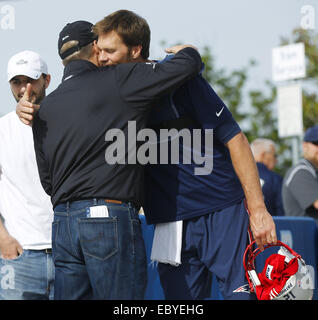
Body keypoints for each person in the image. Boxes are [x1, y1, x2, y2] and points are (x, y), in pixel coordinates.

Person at [17, 10, 276, 300]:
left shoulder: (179, 80)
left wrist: (259, 209)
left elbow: (235, 138)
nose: (101, 58)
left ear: (135, 49)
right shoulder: (105, 89)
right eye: (99, 51)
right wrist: (28, 109)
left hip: (219, 208)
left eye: (109, 51)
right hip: (167, 220)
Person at [18, 17, 202, 300]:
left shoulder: (46, 106)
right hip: (108, 218)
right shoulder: (120, 79)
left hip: (62, 224)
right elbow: (186, 66)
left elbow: (48, 182)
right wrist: (188, 50)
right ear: (94, 46)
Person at [0, 50, 54, 300]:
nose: (24, 88)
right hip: (19, 255)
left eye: (30, 79)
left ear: (47, 80)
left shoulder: (65, 123)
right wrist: (3, 238)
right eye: (17, 82)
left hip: (67, 254)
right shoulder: (2, 130)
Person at [282, 126, 318, 224]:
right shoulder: (300, 171)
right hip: (304, 237)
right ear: (304, 146)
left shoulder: (313, 171)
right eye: (316, 143)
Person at [250, 138, 285, 216]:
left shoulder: (236, 176)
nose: (276, 160)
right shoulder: (275, 179)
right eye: (274, 155)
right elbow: (281, 212)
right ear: (263, 155)